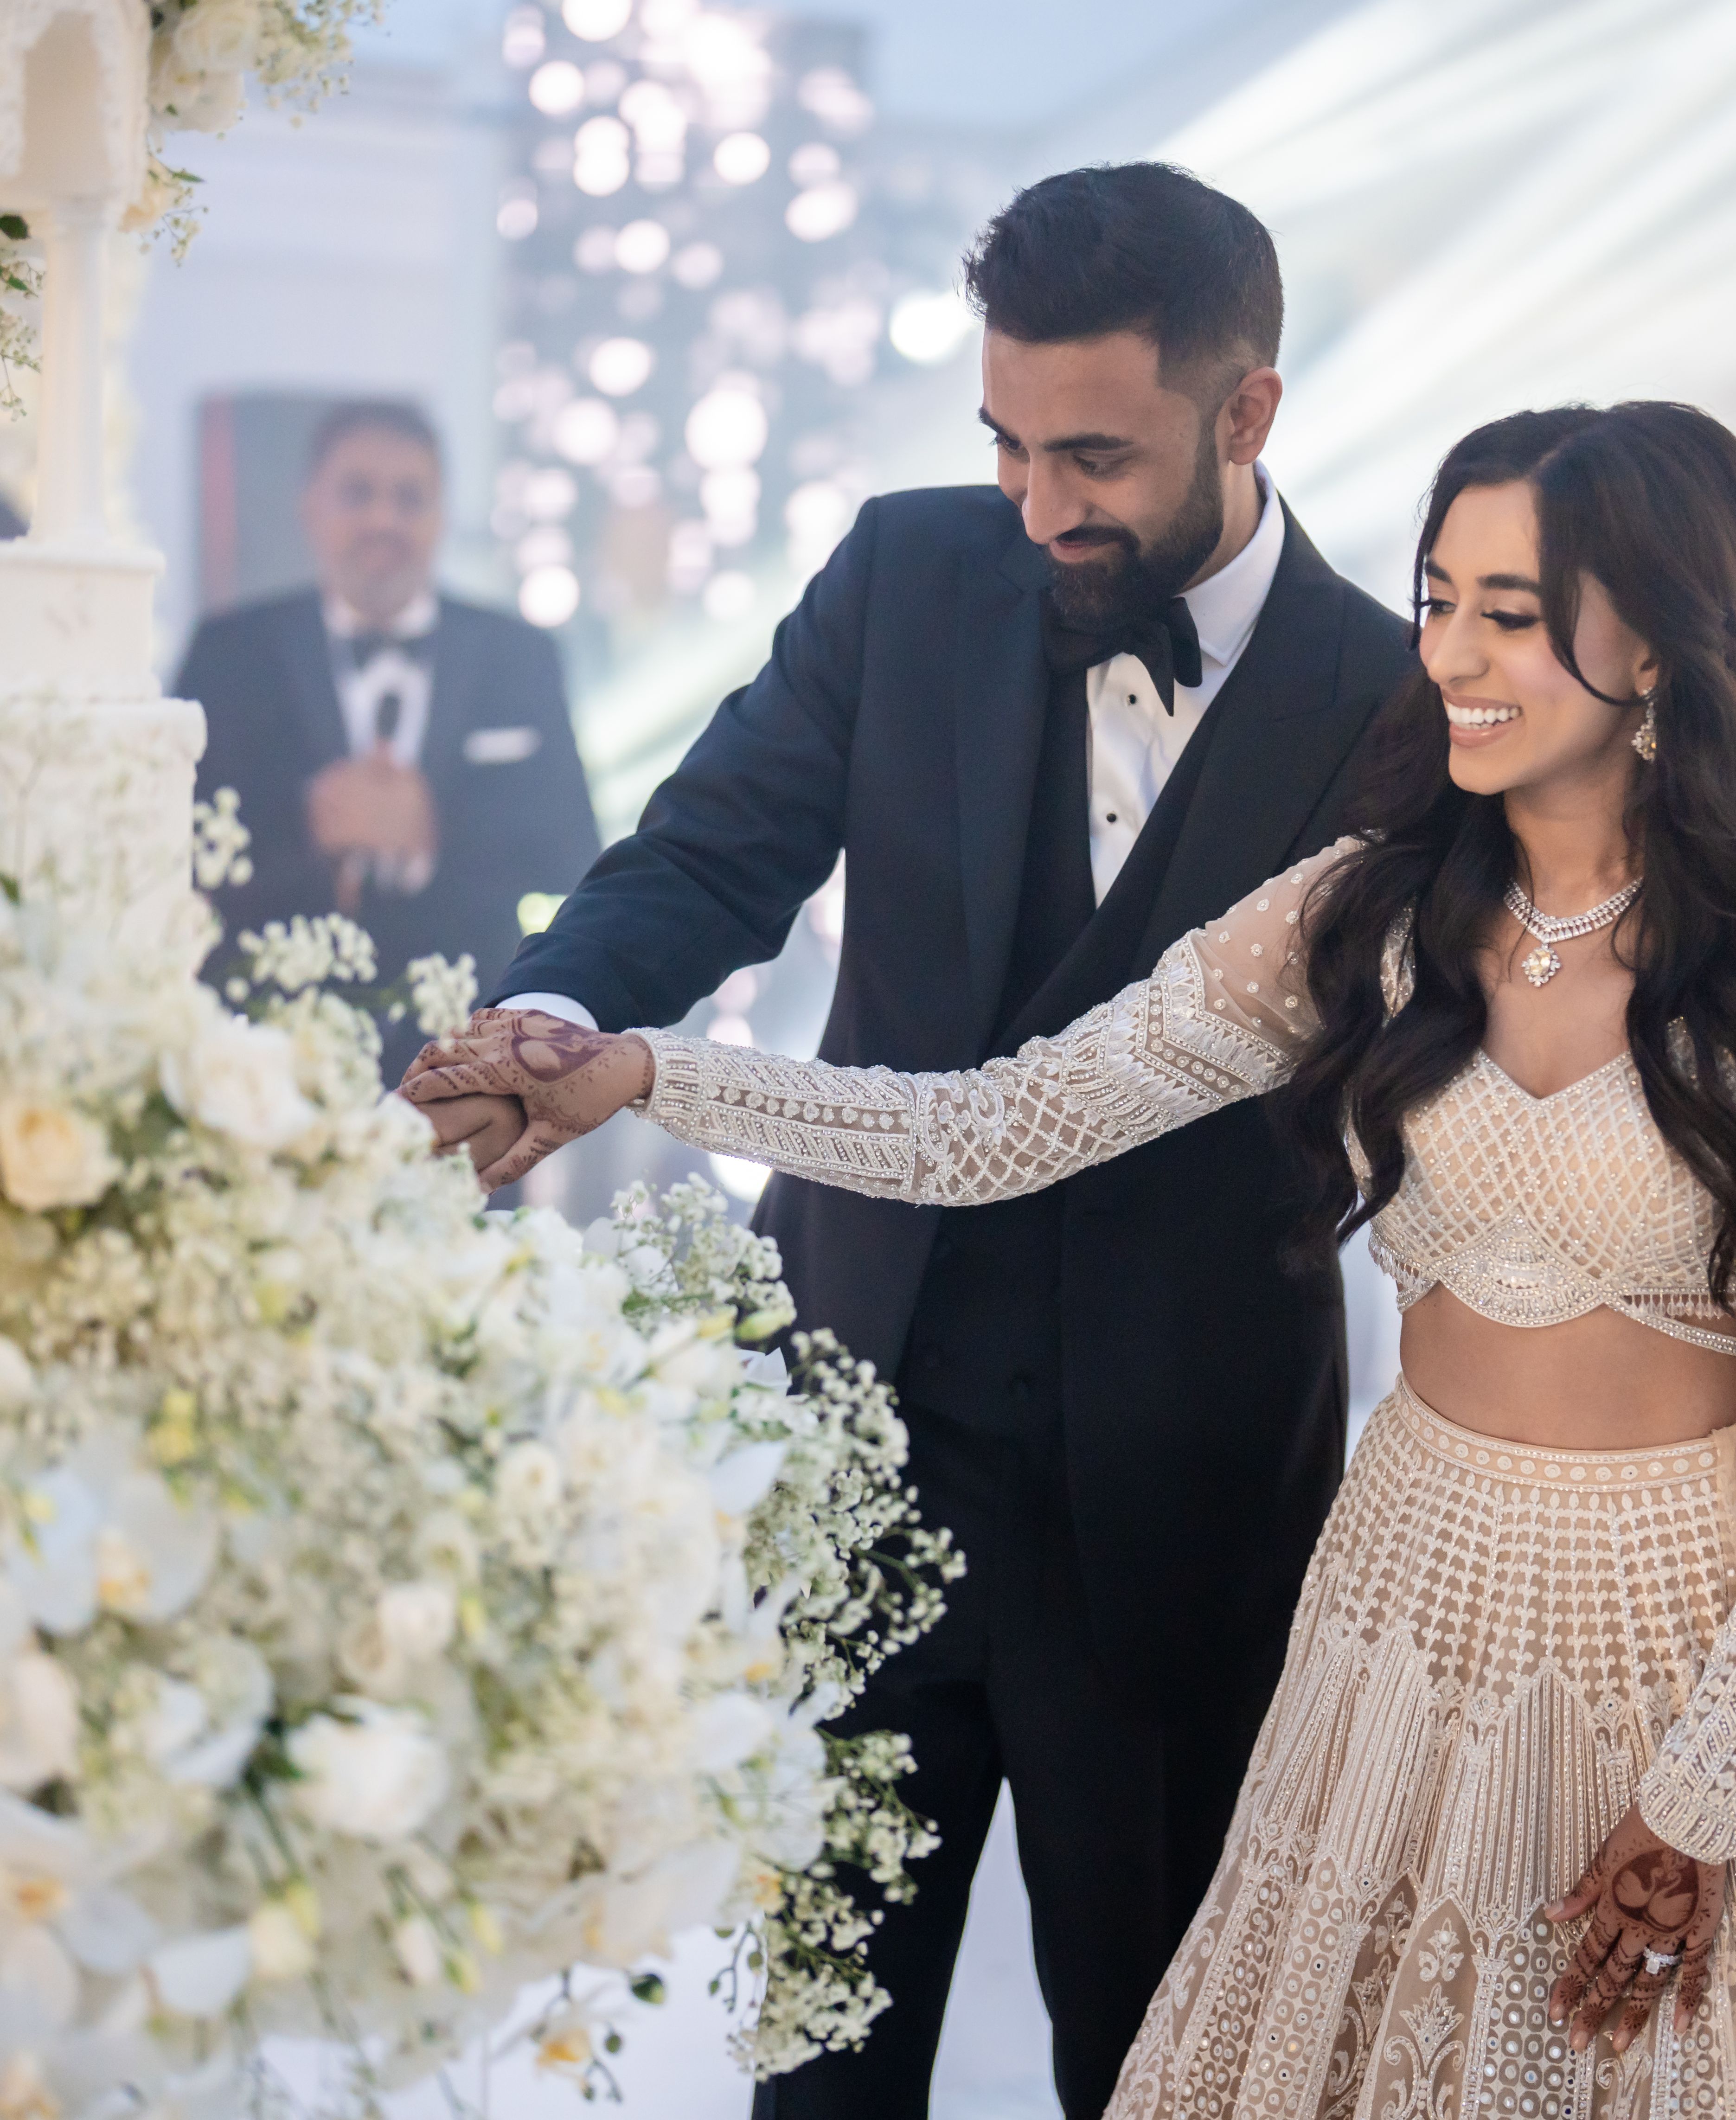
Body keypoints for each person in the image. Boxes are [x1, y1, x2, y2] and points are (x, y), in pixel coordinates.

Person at [406, 401, 1736, 2117]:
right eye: (1437, 596)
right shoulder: (1365, 916)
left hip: (1681, 1630)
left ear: (1658, 643)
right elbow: (995, 1127)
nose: (1444, 653)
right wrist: (644, 1072)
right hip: (1400, 1604)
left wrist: (1704, 1798)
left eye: (1506, 615)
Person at [427, 165, 1413, 2118]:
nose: (1042, 504)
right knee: (819, 2061)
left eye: (1097, 456)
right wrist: (548, 1018)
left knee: (1155, 2063)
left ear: (1250, 415)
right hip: (855, 1447)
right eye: (1008, 444)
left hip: (1184, 1495)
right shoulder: (907, 575)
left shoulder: (1390, 698)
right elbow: (709, 856)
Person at [179, 400, 600, 1074]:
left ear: (442, 514)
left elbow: (572, 851)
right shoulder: (229, 651)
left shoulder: (520, 655)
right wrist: (312, 829)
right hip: (262, 1049)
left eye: (410, 497)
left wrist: (435, 825)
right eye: (358, 493)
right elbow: (177, 845)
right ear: (310, 506)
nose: (384, 519)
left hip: (467, 1054)